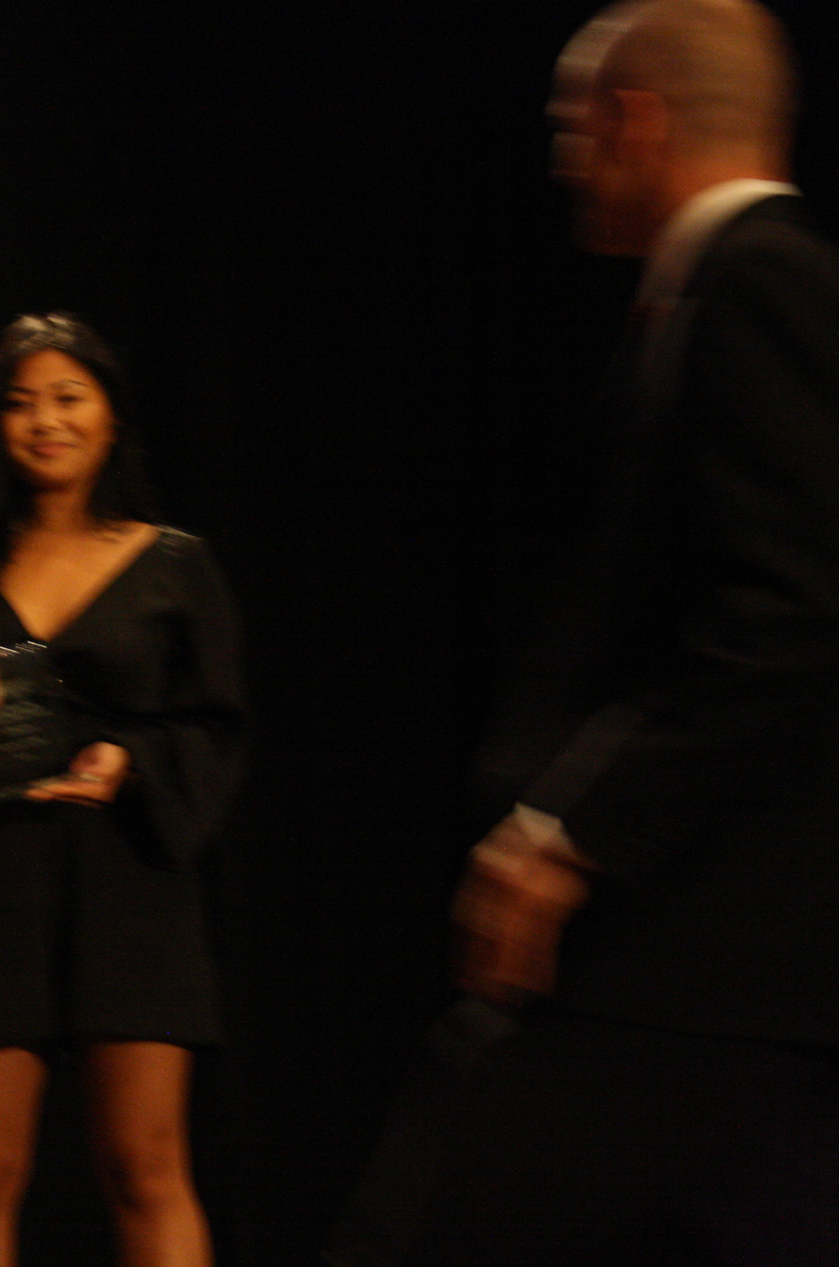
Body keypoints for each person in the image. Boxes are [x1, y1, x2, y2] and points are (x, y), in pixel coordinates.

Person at [331, 2, 839, 1262]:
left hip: (691, 959)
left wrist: (572, 837)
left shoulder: (759, 280)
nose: (561, 158)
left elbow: (792, 611)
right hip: (702, 973)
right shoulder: (712, 290)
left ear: (636, 121)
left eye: (570, 125)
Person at [0, 314, 245, 1266]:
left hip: (130, 883)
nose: (46, 420)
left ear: (110, 417)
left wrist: (128, 758)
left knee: (145, 1167)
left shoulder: (175, 563)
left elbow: (217, 730)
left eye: (69, 397)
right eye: (21, 403)